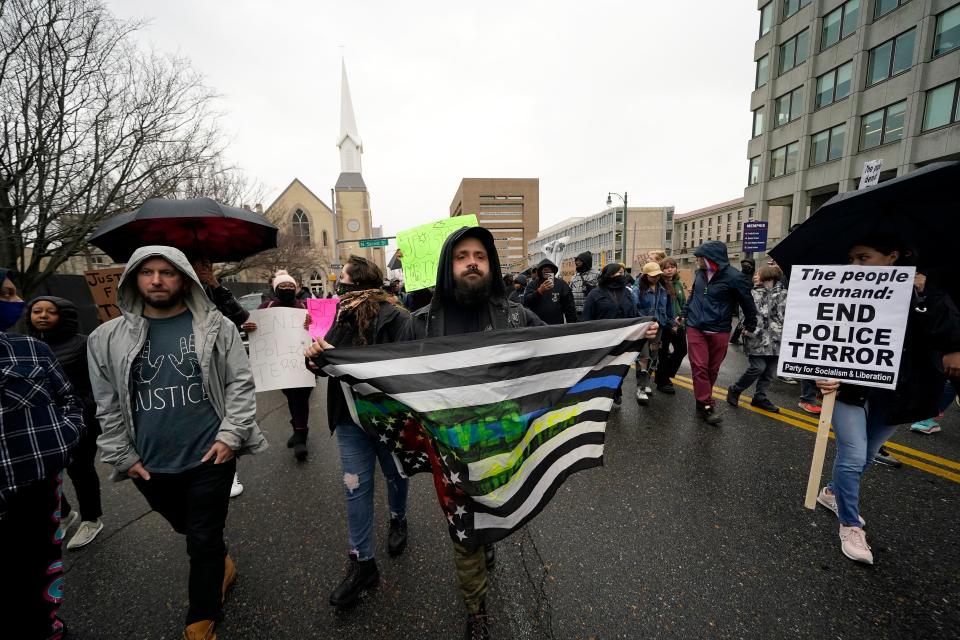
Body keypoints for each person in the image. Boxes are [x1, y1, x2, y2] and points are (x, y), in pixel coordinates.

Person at [87, 246, 267, 640]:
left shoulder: (216, 326)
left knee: (202, 535)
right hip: (148, 462)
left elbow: (240, 382)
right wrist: (121, 453)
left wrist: (230, 435)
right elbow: (108, 401)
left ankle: (200, 620)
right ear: (133, 279)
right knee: (186, 527)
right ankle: (221, 560)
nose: (156, 280)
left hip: (211, 454)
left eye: (166, 272)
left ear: (183, 278)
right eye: (147, 272)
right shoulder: (106, 338)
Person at [395, 226, 545, 639]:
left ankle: (488, 538)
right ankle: (475, 608)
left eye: (480, 255)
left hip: (502, 445)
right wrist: (326, 357)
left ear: (491, 264)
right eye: (462, 256)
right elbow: (382, 372)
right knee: (464, 535)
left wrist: (631, 335)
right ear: (448, 265)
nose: (472, 262)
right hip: (451, 451)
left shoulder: (516, 316)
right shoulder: (420, 325)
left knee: (492, 513)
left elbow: (557, 351)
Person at [815, 234, 960, 565]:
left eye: (863, 258)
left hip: (897, 390)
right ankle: (850, 525)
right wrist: (818, 372)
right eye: (851, 258)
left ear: (892, 257)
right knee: (852, 457)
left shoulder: (925, 292)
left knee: (866, 456)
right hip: (847, 388)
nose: (854, 265)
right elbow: (816, 333)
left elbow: (946, 337)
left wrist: (924, 294)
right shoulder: (839, 287)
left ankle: (833, 493)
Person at [303, 255, 411, 609]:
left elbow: (402, 371)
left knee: (395, 474)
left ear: (359, 284)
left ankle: (398, 519)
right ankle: (362, 562)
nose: (339, 287)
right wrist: (316, 358)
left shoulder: (397, 317)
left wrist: (346, 361)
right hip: (349, 420)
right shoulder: (341, 314)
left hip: (386, 417)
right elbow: (327, 364)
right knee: (354, 487)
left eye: (344, 281)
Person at [26, 296, 105, 549]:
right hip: (42, 422)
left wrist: (84, 411)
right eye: (37, 311)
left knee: (80, 469)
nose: (43, 316)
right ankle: (64, 514)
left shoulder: (83, 344)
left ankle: (91, 519)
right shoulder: (26, 345)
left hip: (80, 419)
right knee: (47, 473)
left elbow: (100, 382)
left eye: (51, 311)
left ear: (65, 315)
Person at [190, 257, 251, 498]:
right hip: (185, 358)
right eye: (200, 264)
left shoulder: (213, 290)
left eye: (208, 265)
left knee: (221, 410)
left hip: (216, 360)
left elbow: (240, 316)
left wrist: (214, 285)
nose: (205, 268)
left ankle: (224, 465)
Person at [679, 241, 758, 425]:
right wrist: (683, 314)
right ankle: (707, 404)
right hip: (695, 327)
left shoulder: (735, 277)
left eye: (699, 257)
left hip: (719, 329)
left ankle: (701, 399)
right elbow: (693, 297)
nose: (696, 260)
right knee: (699, 367)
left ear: (710, 258)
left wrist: (751, 325)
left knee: (711, 369)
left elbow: (748, 304)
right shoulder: (699, 274)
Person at [242, 270, 314, 461]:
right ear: (275, 289)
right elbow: (255, 328)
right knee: (290, 397)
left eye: (291, 286)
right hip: (279, 364)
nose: (287, 289)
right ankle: (297, 427)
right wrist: (248, 327)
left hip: (303, 362)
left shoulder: (305, 307)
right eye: (283, 286)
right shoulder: (266, 307)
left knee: (300, 398)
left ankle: (301, 437)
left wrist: (312, 324)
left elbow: (319, 330)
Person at [582, 263, 651, 406]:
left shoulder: (627, 292)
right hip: (604, 340)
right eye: (618, 272)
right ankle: (608, 392)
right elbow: (586, 319)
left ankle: (616, 387)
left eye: (623, 272)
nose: (622, 275)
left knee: (622, 368)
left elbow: (634, 314)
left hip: (624, 339)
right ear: (609, 274)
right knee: (605, 368)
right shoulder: (595, 294)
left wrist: (647, 322)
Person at [725, 267, 786, 413]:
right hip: (757, 338)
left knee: (769, 372)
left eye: (758, 274)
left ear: (768, 276)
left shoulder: (784, 294)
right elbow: (743, 314)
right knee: (758, 367)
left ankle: (760, 397)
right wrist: (747, 329)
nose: (754, 277)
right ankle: (736, 389)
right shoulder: (751, 293)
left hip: (777, 338)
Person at [634, 262, 674, 405]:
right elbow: (634, 308)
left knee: (654, 357)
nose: (656, 278)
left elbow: (669, 309)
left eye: (658, 275)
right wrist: (646, 322)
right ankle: (641, 388)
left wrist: (672, 323)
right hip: (644, 328)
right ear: (645, 275)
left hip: (659, 327)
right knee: (643, 358)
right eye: (652, 276)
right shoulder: (638, 289)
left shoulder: (664, 289)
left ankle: (646, 383)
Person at [655, 258, 687, 395]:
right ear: (661, 270)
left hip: (679, 324)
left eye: (673, 266)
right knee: (662, 354)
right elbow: (660, 307)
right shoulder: (659, 284)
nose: (670, 269)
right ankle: (662, 381)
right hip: (665, 324)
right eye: (667, 267)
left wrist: (682, 318)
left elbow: (683, 303)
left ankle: (665, 375)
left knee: (682, 350)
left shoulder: (678, 283)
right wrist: (670, 323)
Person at [522, 258, 576, 325]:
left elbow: (569, 307)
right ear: (540, 271)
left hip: (556, 326)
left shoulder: (561, 284)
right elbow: (526, 301)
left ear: (553, 270)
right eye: (544, 269)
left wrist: (572, 325)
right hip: (537, 326)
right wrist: (539, 291)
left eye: (549, 268)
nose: (546, 270)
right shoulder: (533, 284)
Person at [728, 258, 756, 346]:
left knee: (743, 320)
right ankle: (737, 338)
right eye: (744, 265)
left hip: (741, 302)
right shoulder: (742, 278)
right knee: (743, 320)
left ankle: (735, 338)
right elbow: (746, 302)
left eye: (748, 265)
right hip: (740, 303)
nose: (746, 267)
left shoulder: (748, 276)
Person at [569, 251, 599, 320]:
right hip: (576, 312)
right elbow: (570, 292)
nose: (577, 263)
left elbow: (602, 291)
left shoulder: (597, 274)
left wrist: (592, 289)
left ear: (586, 262)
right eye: (576, 261)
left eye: (579, 261)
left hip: (590, 311)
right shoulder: (574, 276)